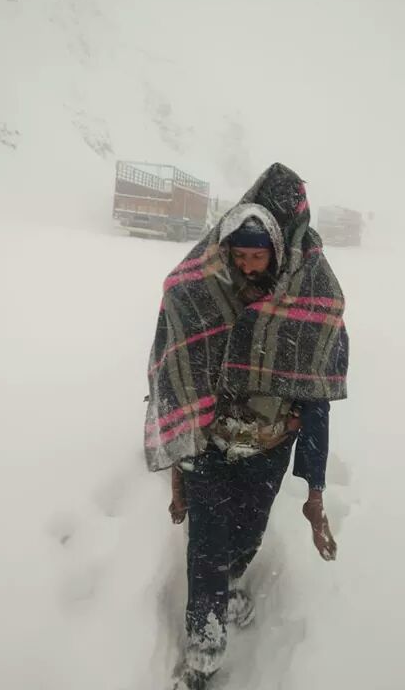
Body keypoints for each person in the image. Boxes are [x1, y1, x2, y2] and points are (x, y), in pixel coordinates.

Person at [144, 163, 349, 690]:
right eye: (239, 255)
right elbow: (178, 372)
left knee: (247, 535)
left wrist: (316, 488)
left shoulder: (300, 306)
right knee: (208, 544)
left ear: (276, 252)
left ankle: (234, 580)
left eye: (257, 256)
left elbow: (317, 398)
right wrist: (180, 460)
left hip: (267, 446)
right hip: (212, 444)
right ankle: (203, 649)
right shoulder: (206, 296)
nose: (247, 265)